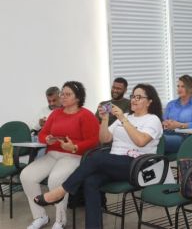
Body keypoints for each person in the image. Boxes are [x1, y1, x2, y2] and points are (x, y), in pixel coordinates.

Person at [33, 83, 163, 229]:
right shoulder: (126, 116)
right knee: (90, 180)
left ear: (150, 101)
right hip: (115, 163)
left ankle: (61, 191)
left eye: (139, 97)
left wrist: (123, 119)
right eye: (133, 96)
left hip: (137, 165)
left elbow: (140, 141)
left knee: (96, 157)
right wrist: (105, 119)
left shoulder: (153, 120)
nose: (134, 99)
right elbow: (104, 139)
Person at [20, 81, 100, 229]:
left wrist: (75, 146)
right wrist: (47, 138)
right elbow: (42, 133)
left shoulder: (86, 115)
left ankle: (60, 221)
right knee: (27, 176)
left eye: (67, 94)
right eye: (62, 93)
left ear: (77, 98)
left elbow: (94, 141)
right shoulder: (55, 114)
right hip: (52, 154)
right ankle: (40, 217)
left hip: (73, 156)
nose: (63, 96)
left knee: (55, 180)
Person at [163, 75, 192, 154]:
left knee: (161, 140)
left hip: (185, 136)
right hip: (168, 132)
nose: (179, 89)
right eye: (178, 86)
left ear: (190, 88)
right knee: (155, 138)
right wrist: (166, 123)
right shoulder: (171, 104)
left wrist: (179, 125)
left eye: (183, 86)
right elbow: (164, 119)